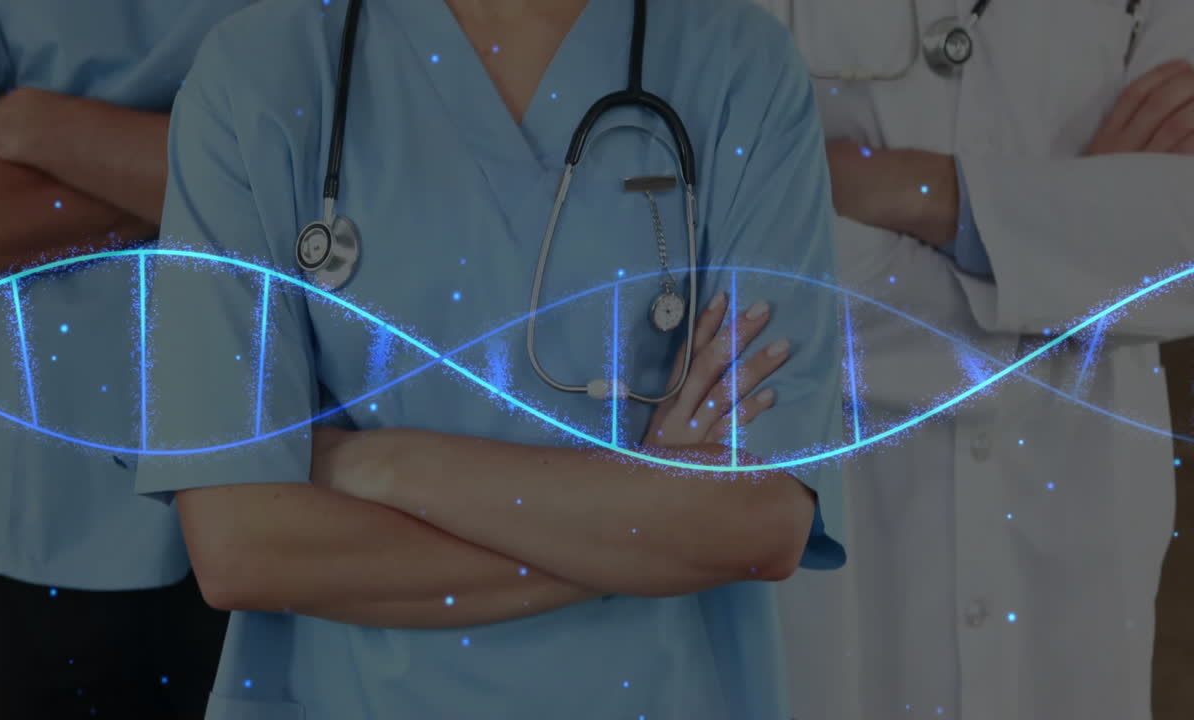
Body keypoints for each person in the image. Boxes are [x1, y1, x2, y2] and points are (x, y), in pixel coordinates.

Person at [133, 0, 847, 717]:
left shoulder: (736, 65)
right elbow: (241, 545)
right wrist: (645, 527)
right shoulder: (261, 73)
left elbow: (758, 521)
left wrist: (379, 464)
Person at [758, 1, 1194, 718]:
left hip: (1080, 548)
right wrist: (1073, 236)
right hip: (833, 534)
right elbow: (751, 264)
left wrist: (909, 189)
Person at [0, 1, 261, 717]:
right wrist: (230, 188)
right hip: (54, 496)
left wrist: (45, 132)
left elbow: (376, 170)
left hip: (289, 477)